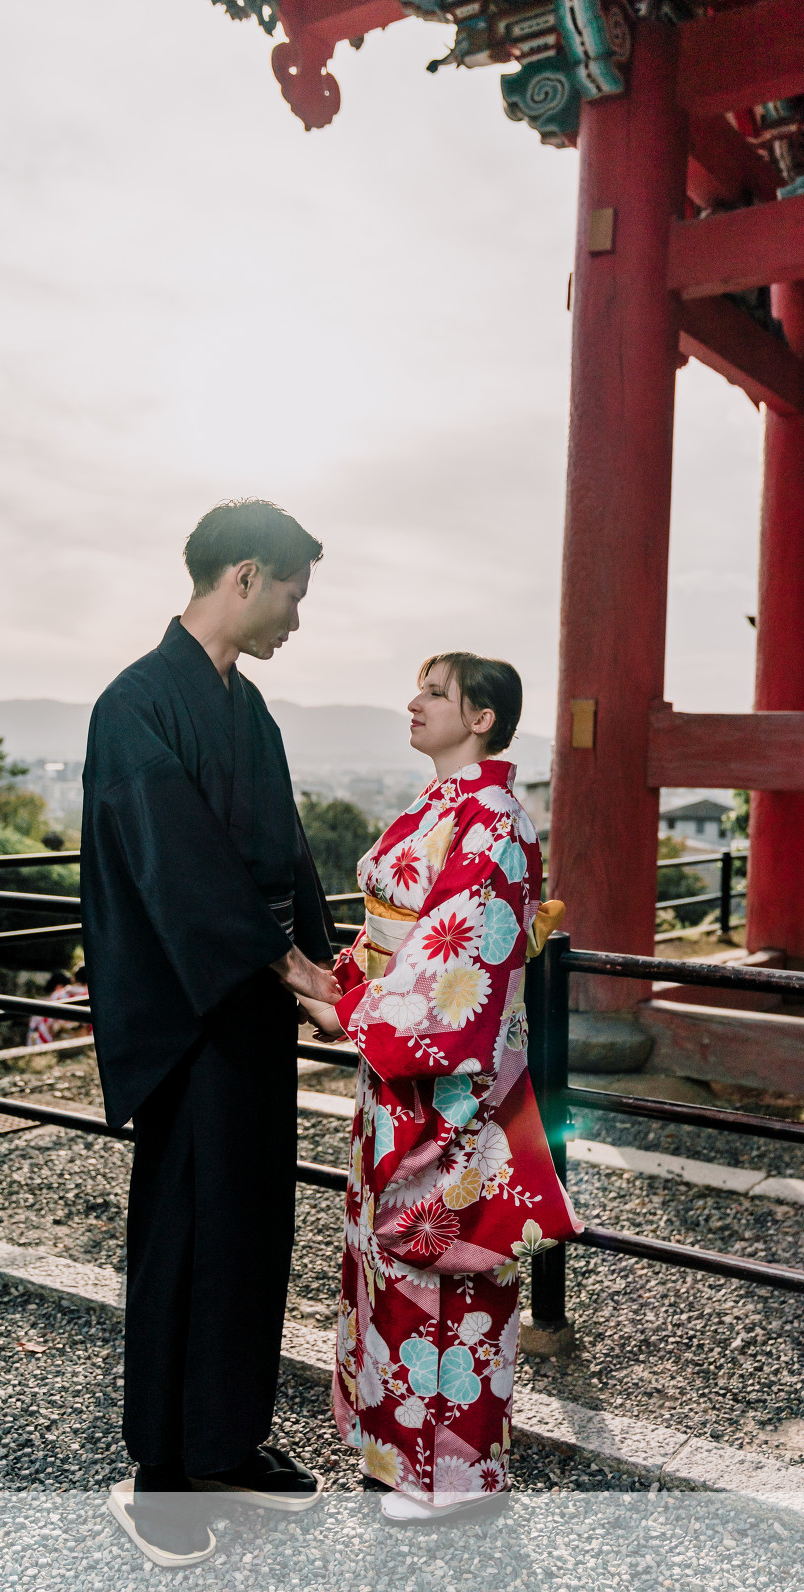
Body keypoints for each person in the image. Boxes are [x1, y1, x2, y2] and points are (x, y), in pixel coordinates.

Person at [82, 499, 340, 1569]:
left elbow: (287, 852)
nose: (296, 617)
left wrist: (329, 963)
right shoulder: (135, 703)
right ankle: (162, 1475)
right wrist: (290, 967)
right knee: (187, 1235)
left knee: (251, 1230)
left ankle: (225, 1444)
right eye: (292, 593)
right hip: (186, 1010)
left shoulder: (249, 707)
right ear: (244, 576)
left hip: (252, 1007)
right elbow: (171, 862)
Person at [301, 652, 582, 1524]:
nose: (413, 703)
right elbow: (398, 935)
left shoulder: (495, 820)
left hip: (452, 1089)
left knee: (445, 1272)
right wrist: (340, 982)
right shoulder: (441, 805)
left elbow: (454, 971)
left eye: (433, 693)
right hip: (402, 1075)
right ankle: (398, 1456)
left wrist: (348, 1007)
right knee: (393, 1263)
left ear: (482, 717)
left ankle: (451, 1480)